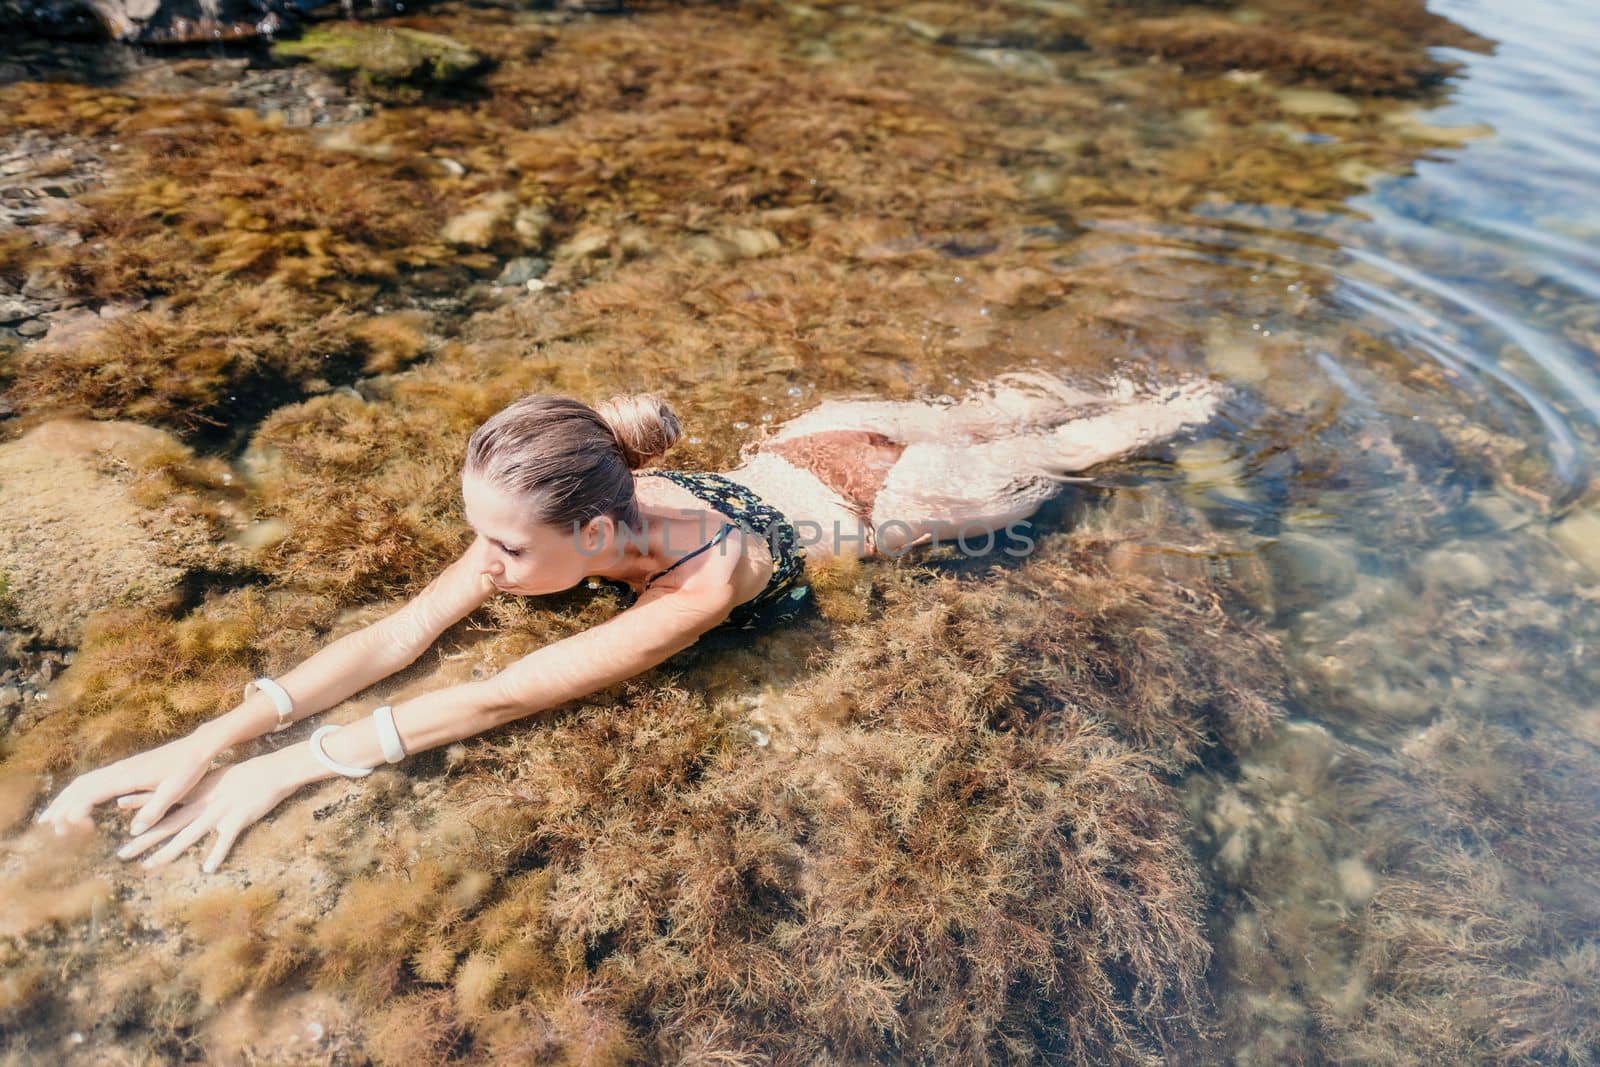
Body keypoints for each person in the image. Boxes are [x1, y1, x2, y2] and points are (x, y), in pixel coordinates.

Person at [30, 369, 1224, 873]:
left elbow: (502, 691)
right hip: (818, 428)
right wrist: (208, 741)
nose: (483, 565)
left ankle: (1219, 397)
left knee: (1097, 439)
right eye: (478, 534)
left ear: (597, 540)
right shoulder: (556, 511)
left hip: (905, 499)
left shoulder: (695, 589)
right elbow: (402, 635)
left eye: (504, 547)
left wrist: (294, 771)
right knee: (1011, 404)